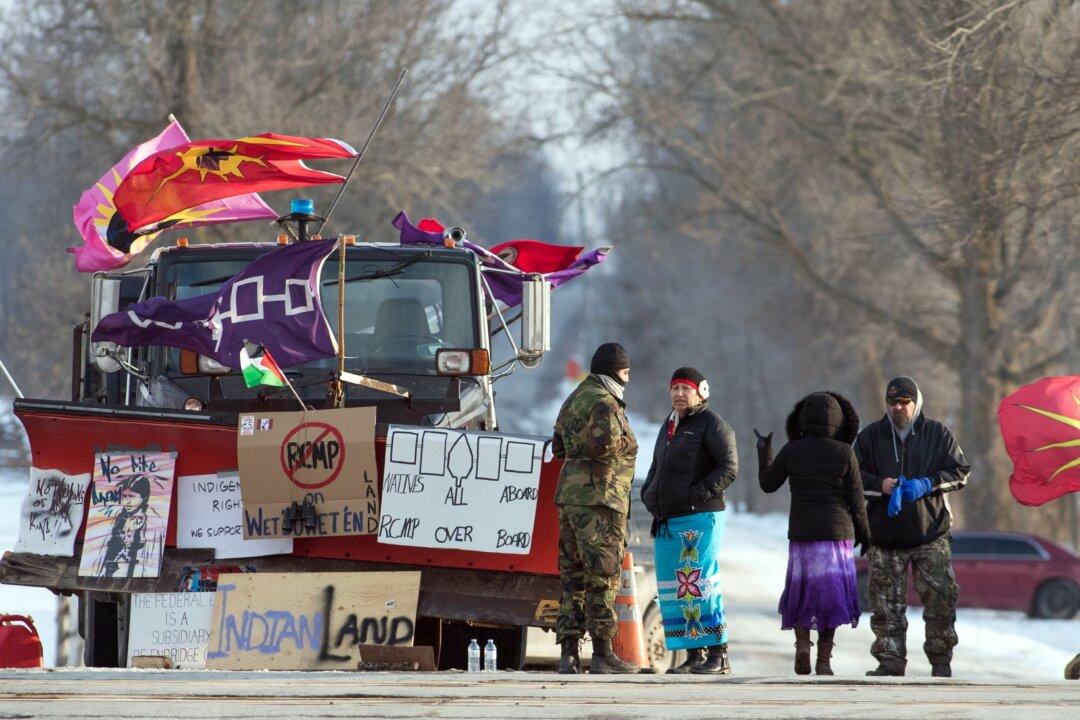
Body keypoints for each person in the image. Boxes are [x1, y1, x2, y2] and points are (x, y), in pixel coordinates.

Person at [855, 376, 970, 677]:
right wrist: (880, 485)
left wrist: (928, 483)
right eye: (892, 402)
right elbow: (851, 478)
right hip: (885, 534)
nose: (898, 408)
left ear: (916, 402)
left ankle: (941, 661)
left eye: (904, 402)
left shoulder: (937, 434)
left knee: (940, 599)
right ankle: (890, 661)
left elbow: (960, 472)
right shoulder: (870, 437)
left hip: (930, 532)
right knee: (885, 604)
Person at [756, 391, 871, 675]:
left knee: (803, 591)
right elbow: (856, 499)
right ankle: (824, 659)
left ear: (803, 418)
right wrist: (865, 534)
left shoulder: (793, 449)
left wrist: (764, 451)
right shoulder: (845, 452)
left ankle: (803, 646)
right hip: (835, 536)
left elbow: (768, 484)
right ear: (838, 421)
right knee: (831, 597)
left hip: (802, 535)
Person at [641, 367, 738, 674]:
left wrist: (693, 495)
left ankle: (718, 654)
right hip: (668, 519)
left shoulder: (713, 424)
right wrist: (649, 494)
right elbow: (657, 465)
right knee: (674, 588)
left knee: (699, 584)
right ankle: (693, 655)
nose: (679, 394)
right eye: (675, 389)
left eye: (686, 389)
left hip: (700, 516)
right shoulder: (669, 426)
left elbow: (728, 468)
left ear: (701, 392)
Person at [551, 342, 640, 674]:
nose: (628, 378)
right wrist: (629, 444)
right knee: (602, 575)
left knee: (571, 576)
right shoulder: (606, 403)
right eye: (625, 371)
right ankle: (603, 654)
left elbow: (558, 446)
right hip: (600, 499)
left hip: (568, 497)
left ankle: (568, 654)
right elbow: (605, 446)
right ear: (614, 371)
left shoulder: (574, 397)